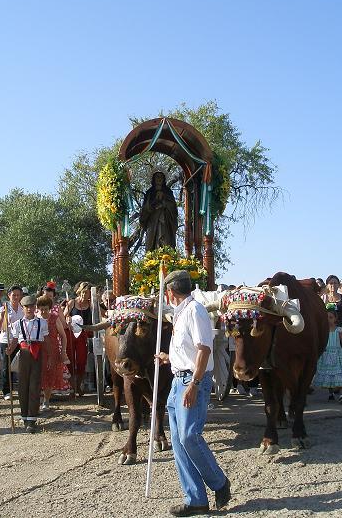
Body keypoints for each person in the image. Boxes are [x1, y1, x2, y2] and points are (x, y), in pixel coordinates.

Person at [156, 270, 230, 517]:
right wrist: (170, 358)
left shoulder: (195, 310)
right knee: (179, 443)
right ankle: (195, 499)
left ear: (170, 292)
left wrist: (194, 384)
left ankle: (219, 482)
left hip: (191, 381)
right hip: (179, 380)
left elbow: (204, 349)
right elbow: (189, 350)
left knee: (189, 436)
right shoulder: (181, 313)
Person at [7, 295, 48, 430]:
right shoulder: (17, 324)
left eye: (31, 306)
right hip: (24, 353)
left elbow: (46, 341)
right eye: (26, 307)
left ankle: (32, 418)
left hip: (37, 353)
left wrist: (49, 357)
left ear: (35, 307)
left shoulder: (42, 322)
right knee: (23, 385)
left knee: (34, 385)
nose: (29, 309)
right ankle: (24, 415)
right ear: (22, 308)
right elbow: (14, 340)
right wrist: (10, 349)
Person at [38, 291, 70, 410]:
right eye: (41, 309)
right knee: (40, 375)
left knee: (50, 376)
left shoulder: (54, 319)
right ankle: (38, 398)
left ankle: (46, 400)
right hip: (39, 351)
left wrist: (63, 351)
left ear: (50, 308)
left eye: (46, 309)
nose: (43, 312)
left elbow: (63, 336)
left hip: (53, 351)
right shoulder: (36, 319)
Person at [313, 308, 342, 403]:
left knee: (339, 374)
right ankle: (331, 394)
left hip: (337, 354)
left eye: (330, 317)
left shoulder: (338, 330)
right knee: (328, 374)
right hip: (326, 354)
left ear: (335, 318)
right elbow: (321, 342)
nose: (328, 319)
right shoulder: (323, 330)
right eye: (326, 317)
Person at [62, 282, 93, 396]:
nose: (85, 295)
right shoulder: (72, 302)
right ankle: (72, 387)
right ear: (79, 292)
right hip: (70, 334)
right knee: (70, 360)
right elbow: (63, 317)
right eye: (83, 292)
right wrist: (67, 320)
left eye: (87, 293)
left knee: (81, 360)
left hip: (83, 335)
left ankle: (78, 386)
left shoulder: (91, 304)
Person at [139, 171, 178, 251]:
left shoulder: (168, 192)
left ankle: (167, 255)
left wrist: (164, 203)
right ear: (153, 179)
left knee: (166, 242)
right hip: (152, 222)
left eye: (161, 177)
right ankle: (151, 256)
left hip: (165, 221)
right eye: (157, 177)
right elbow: (145, 209)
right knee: (151, 243)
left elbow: (173, 207)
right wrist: (155, 201)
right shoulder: (149, 192)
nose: (159, 179)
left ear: (164, 179)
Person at [0, 286, 24, 400]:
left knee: (19, 365)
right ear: (9, 295)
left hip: (20, 340)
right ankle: (7, 390)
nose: (16, 297)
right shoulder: (4, 308)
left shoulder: (23, 308)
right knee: (7, 366)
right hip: (6, 340)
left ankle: (21, 388)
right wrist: (2, 316)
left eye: (18, 295)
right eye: (14, 295)